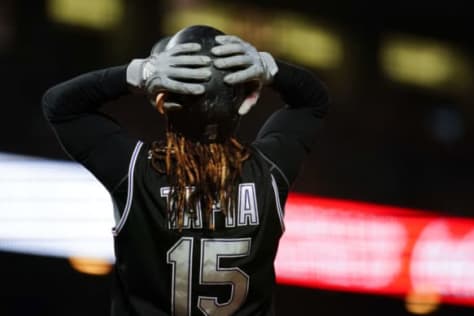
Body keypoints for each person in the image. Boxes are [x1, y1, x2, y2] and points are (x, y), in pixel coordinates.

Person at [42, 25, 329, 316]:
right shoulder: (269, 169)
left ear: (163, 100)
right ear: (243, 99)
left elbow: (60, 106)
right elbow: (313, 102)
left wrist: (138, 73)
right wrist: (270, 67)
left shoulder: (137, 171)